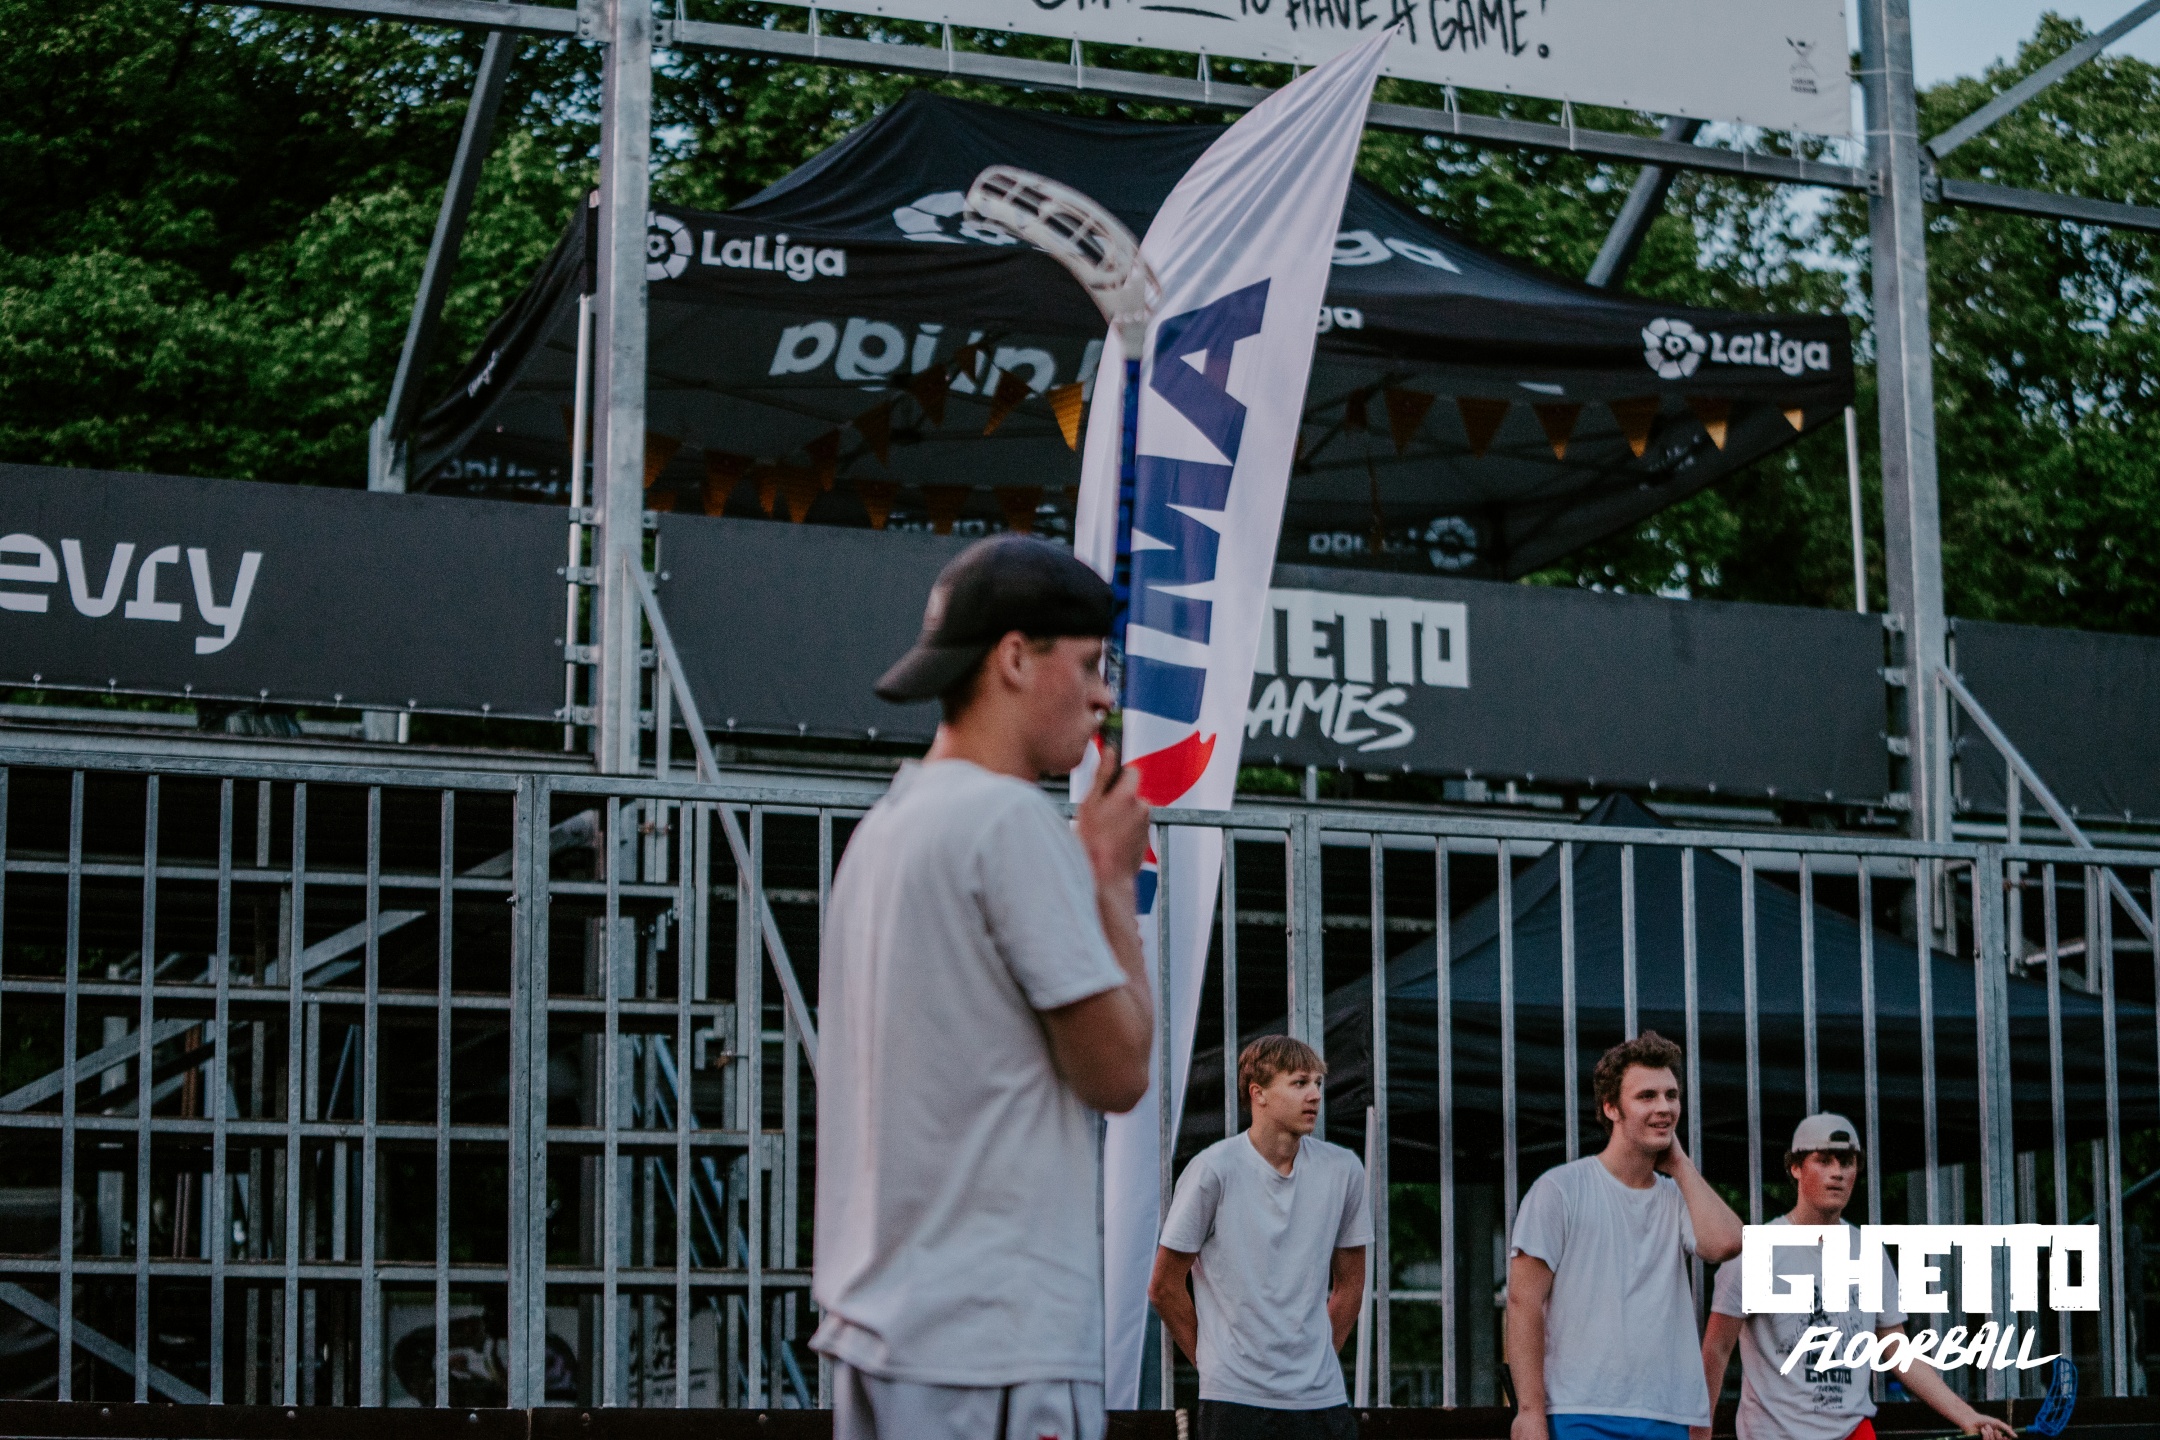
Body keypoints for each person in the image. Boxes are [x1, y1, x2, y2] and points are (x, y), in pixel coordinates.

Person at [810, 536, 1155, 1440]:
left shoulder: (886, 828)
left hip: (880, 1328)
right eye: (1089, 664)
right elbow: (1119, 1072)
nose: (1103, 697)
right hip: (994, 1340)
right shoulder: (1009, 823)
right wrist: (1111, 880)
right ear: (1013, 658)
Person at [1696, 1115, 2017, 1440]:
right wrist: (1699, 1436)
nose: (1837, 1172)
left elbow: (1897, 1349)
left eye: (1847, 1162)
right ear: (1795, 1167)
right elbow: (1716, 1350)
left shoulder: (1868, 1251)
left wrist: (1967, 1416)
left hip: (1852, 1430)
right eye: (1824, 1160)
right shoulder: (1756, 1250)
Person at [1508, 1031, 1746, 1440]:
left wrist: (1681, 1164)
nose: (1664, 1107)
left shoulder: (1677, 1196)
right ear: (1611, 1107)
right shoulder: (1560, 1189)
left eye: (1671, 1095)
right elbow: (1522, 1302)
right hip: (1580, 1409)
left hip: (1666, 1413)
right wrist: (1529, 1412)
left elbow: (1727, 1243)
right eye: (1646, 1096)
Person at [1148, 1036, 1372, 1440]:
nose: (1315, 1095)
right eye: (1299, 1082)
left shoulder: (1343, 1170)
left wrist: (1316, 1363)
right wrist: (1217, 1366)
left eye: (1318, 1083)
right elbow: (1164, 1286)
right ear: (1258, 1093)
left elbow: (1351, 1285)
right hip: (1235, 1401)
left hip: (1321, 1400)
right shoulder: (1214, 1170)